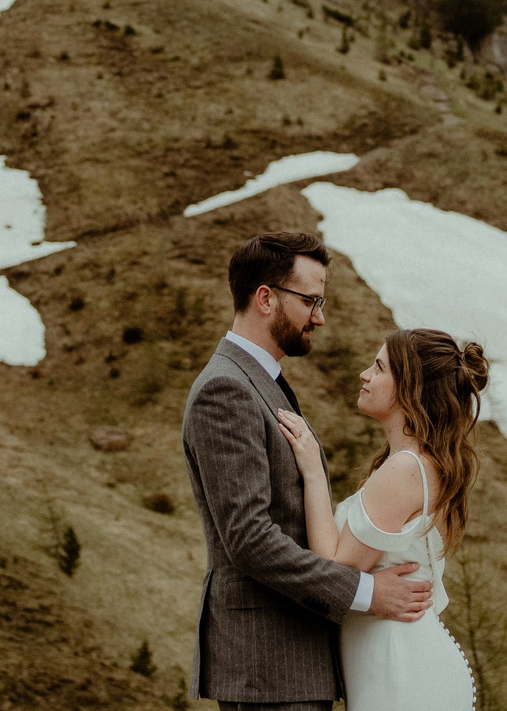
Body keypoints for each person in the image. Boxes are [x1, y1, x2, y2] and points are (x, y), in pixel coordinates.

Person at [182, 232, 436, 709]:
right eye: (310, 301)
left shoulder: (262, 382)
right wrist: (367, 592)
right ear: (265, 298)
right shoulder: (226, 390)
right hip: (268, 663)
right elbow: (249, 538)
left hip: (293, 661)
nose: (319, 316)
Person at [275, 329, 484, 710]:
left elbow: (334, 568)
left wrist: (314, 470)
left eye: (379, 367)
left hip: (401, 668)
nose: (365, 374)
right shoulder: (419, 464)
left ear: (411, 388)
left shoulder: (406, 468)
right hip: (396, 662)